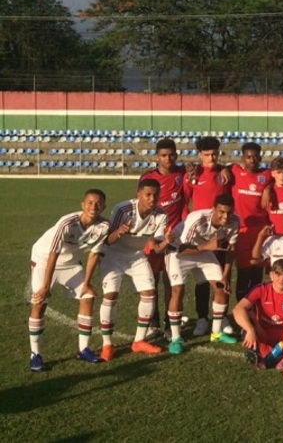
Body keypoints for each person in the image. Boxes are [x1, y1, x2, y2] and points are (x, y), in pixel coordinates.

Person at [27, 189, 110, 371]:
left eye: (98, 203)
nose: (93, 207)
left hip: (71, 263)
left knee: (88, 297)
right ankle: (35, 355)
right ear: (82, 205)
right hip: (44, 260)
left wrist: (86, 284)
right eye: (90, 202)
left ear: (104, 206)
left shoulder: (104, 226)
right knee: (39, 302)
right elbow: (53, 254)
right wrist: (45, 286)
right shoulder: (67, 223)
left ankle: (83, 349)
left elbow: (94, 255)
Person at [98, 179, 171, 360]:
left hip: (136, 256)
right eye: (148, 195)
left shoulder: (161, 215)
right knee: (110, 295)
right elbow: (107, 240)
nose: (152, 198)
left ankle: (139, 341)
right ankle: (107, 344)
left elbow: (155, 247)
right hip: (113, 254)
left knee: (149, 293)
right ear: (138, 194)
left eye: (155, 195)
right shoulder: (123, 209)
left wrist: (167, 241)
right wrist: (119, 231)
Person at [165, 194, 241, 354]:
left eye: (229, 212)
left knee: (221, 288)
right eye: (221, 212)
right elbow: (183, 249)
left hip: (203, 250)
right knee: (178, 290)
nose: (225, 216)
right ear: (214, 210)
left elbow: (231, 249)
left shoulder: (235, 222)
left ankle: (216, 333)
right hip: (178, 251)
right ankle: (176, 338)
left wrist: (226, 275)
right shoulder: (197, 219)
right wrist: (207, 246)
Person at [182, 135, 232, 336]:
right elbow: (185, 201)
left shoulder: (225, 173)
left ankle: (222, 317)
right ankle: (202, 318)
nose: (212, 158)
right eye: (207, 154)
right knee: (202, 279)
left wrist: (225, 167)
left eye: (215, 154)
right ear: (199, 155)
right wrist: (187, 225)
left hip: (221, 233)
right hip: (200, 234)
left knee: (221, 277)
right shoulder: (192, 175)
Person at [139, 138, 187, 337]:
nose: (168, 159)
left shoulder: (182, 173)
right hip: (152, 236)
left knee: (171, 283)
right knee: (150, 282)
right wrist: (147, 235)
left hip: (173, 237)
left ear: (176, 155)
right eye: (164, 155)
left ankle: (169, 324)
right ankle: (153, 322)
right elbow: (141, 205)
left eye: (171, 155)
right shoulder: (147, 177)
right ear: (157, 157)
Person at [230, 142, 272, 303]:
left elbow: (280, 178)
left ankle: (255, 309)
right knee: (243, 272)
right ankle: (241, 309)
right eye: (248, 157)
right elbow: (222, 169)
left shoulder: (266, 174)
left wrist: (268, 187)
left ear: (260, 158)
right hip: (242, 230)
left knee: (256, 273)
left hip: (260, 231)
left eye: (255, 157)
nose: (252, 160)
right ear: (243, 158)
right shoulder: (234, 171)